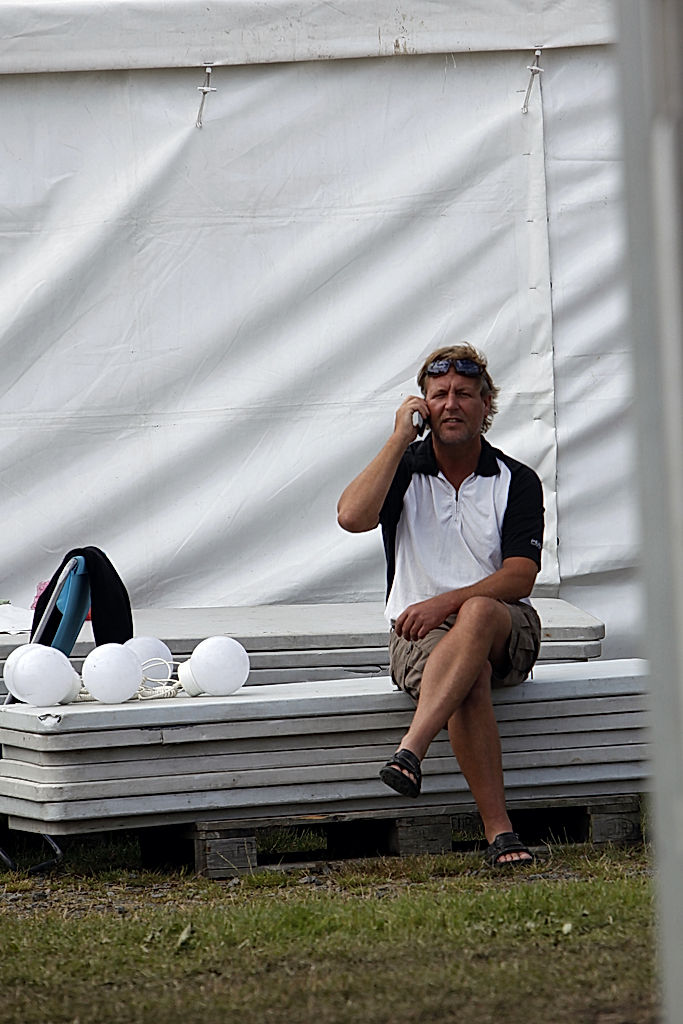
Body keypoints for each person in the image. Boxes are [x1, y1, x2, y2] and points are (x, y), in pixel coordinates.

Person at [337, 343, 544, 866]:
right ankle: (500, 834)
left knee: (474, 615)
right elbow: (351, 517)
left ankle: (412, 749)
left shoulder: (515, 478)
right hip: (417, 636)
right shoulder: (403, 469)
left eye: (465, 395)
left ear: (486, 404)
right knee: (466, 671)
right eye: (439, 395)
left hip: (503, 624)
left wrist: (446, 602)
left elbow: (521, 575)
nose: (452, 404)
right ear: (424, 405)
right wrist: (398, 436)